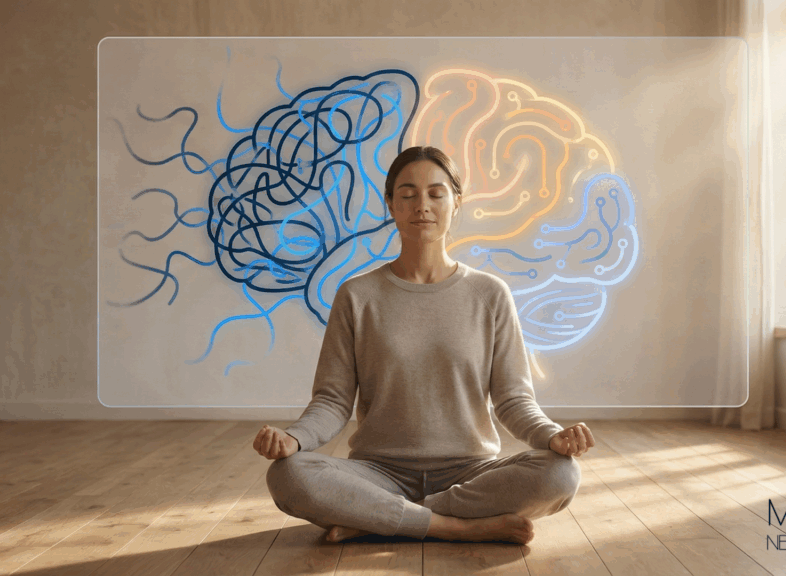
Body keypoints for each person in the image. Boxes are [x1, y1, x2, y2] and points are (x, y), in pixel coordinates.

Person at [254, 146, 594, 545]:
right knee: (287, 476)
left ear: (456, 202)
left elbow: (513, 399)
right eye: (408, 194)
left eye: (436, 193)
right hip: (377, 473)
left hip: (471, 473)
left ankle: (378, 520)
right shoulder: (357, 295)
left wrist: (551, 437)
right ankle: (456, 526)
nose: (422, 206)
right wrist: (294, 439)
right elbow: (332, 400)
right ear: (391, 205)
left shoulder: (490, 294)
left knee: (562, 473)